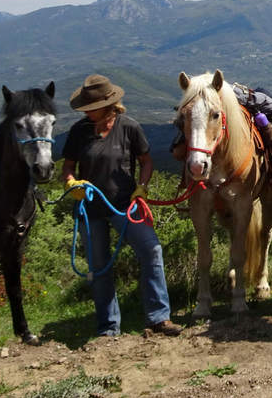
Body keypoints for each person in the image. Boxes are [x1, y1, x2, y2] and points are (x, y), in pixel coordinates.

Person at [61, 74, 182, 337]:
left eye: (91, 108)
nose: (88, 112)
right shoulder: (79, 132)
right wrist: (71, 183)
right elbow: (68, 166)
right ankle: (108, 327)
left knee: (151, 251)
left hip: (126, 205)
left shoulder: (129, 127)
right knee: (100, 266)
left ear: (107, 105)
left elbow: (146, 161)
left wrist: (142, 187)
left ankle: (159, 317)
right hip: (91, 208)